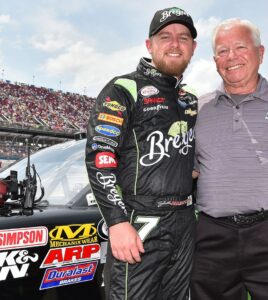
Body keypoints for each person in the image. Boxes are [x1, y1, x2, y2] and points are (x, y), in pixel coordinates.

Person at [85, 6, 198, 300]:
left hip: (185, 222)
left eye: (183, 38)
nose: (175, 44)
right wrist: (117, 222)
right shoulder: (123, 88)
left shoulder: (190, 101)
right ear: (150, 45)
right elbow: (100, 158)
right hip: (140, 221)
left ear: (193, 47)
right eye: (165, 36)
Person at [191, 18, 267, 300]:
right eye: (223, 51)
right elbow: (191, 170)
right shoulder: (198, 109)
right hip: (212, 237)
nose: (231, 57)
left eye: (240, 47)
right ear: (214, 60)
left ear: (260, 53)